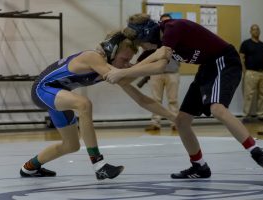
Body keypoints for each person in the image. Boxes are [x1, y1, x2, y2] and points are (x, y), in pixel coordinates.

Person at [103, 14, 263, 179]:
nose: (142, 47)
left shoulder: (172, 27)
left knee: (216, 108)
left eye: (141, 43)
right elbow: (135, 72)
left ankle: (257, 151)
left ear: (148, 34)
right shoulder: (155, 47)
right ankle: (199, 166)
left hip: (224, 60)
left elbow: (159, 63)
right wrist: (107, 71)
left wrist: (124, 72)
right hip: (207, 68)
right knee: (181, 121)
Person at [20, 31, 175, 181]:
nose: (127, 64)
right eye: (124, 59)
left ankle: (29, 167)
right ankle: (99, 165)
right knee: (84, 104)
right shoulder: (92, 57)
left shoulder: (112, 67)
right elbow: (123, 79)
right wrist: (154, 56)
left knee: (71, 145)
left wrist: (173, 117)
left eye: (129, 60)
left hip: (58, 94)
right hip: (42, 89)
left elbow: (140, 98)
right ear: (112, 52)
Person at [143, 13, 180, 132]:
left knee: (173, 99)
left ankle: (175, 122)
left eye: (168, 21)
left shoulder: (177, 35)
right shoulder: (154, 37)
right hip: (156, 72)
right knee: (155, 99)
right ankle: (155, 123)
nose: (166, 24)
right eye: (163, 22)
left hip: (173, 72)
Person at [240, 24, 263, 122]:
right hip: (251, 72)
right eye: (254, 29)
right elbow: (241, 58)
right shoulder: (246, 44)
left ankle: (261, 115)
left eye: (258, 29)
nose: (256, 31)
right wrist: (245, 72)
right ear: (250, 31)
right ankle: (246, 116)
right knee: (248, 95)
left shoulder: (262, 45)